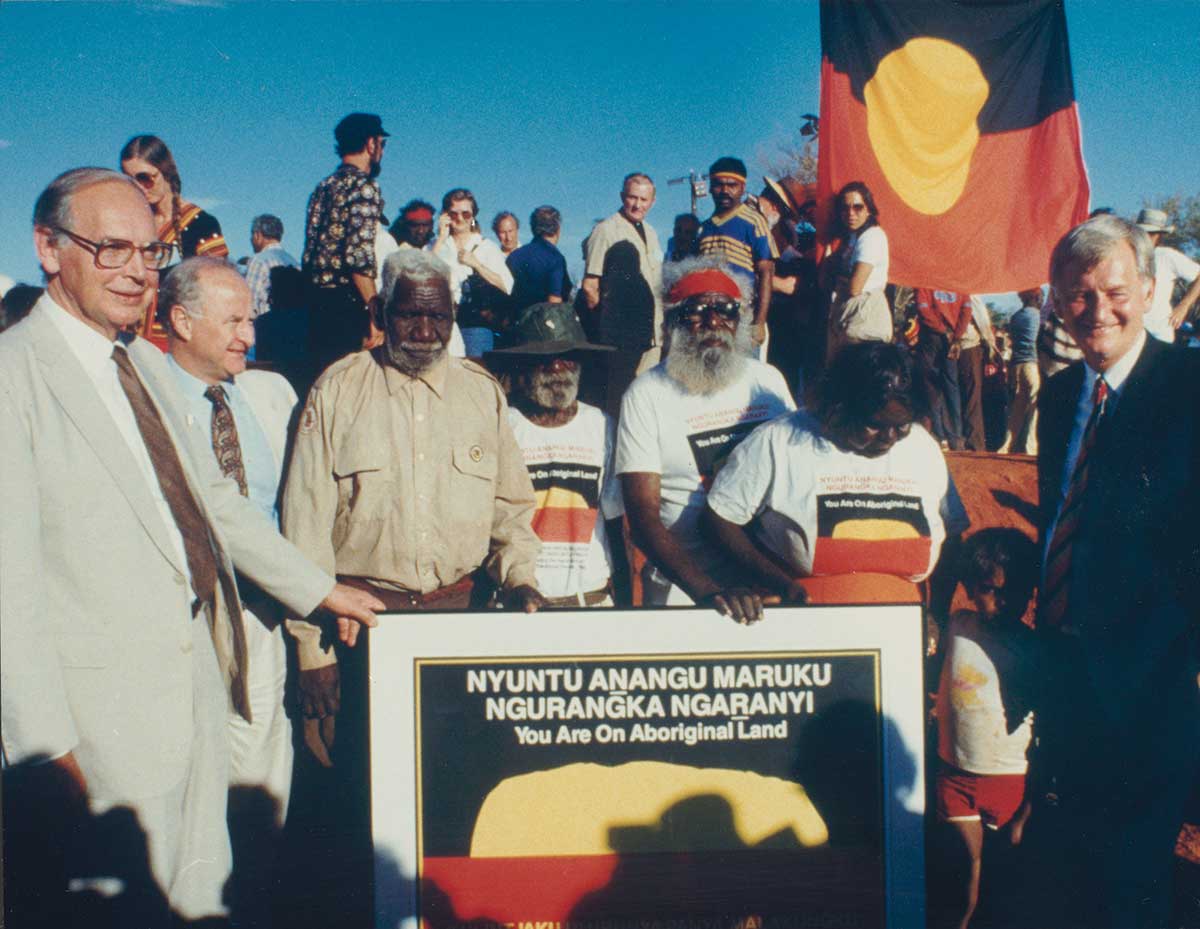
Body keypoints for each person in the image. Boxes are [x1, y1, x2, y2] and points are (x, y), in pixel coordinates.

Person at [0, 167, 380, 926]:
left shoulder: (142, 364)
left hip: (199, 701)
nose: (139, 270)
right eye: (112, 249)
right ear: (47, 248)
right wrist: (43, 757)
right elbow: (8, 591)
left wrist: (319, 588)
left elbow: (214, 504)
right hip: (96, 743)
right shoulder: (13, 377)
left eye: (149, 249)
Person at [1032, 214, 1200, 928]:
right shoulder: (1062, 394)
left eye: (1114, 289)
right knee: (1078, 863)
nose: (1097, 310)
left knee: (1136, 878)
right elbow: (1060, 522)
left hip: (1157, 674)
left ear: (1152, 286)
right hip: (1068, 671)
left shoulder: (1190, 384)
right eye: (1077, 294)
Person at [160, 256, 300, 925]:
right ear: (181, 322)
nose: (249, 333)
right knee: (189, 782)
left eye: (251, 318)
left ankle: (253, 905)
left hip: (263, 616)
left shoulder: (271, 396)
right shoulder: (143, 393)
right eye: (234, 320)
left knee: (262, 773)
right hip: (182, 620)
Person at [705, 341, 966, 606]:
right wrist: (779, 582)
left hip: (900, 627)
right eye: (874, 425)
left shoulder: (923, 448)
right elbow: (720, 518)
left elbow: (952, 536)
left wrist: (937, 614)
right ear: (838, 408)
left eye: (901, 426)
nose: (889, 438)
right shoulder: (779, 441)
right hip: (803, 621)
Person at [615, 257, 794, 622]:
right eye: (697, 311)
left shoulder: (768, 382)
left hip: (770, 582)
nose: (713, 323)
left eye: (725, 310)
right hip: (687, 589)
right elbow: (643, 519)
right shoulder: (647, 394)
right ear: (674, 323)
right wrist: (710, 592)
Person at [933, 529, 1040, 929]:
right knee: (964, 881)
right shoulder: (955, 627)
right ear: (969, 588)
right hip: (954, 777)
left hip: (1009, 780)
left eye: (1014, 592)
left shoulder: (1034, 648)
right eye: (989, 590)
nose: (1001, 602)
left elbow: (1045, 725)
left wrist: (1029, 808)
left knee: (1002, 886)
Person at [489, 301, 627, 606]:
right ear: (521, 366)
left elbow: (618, 524)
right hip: (520, 603)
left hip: (591, 602)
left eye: (566, 359)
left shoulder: (602, 426)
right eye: (543, 359)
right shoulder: (501, 428)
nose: (556, 369)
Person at [120, 134, 230, 347]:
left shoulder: (201, 224)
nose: (138, 187)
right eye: (130, 179)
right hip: (131, 341)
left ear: (166, 172)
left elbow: (217, 292)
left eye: (145, 177)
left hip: (177, 344)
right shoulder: (133, 224)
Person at [301, 112, 390, 375]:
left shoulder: (323, 187)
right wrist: (375, 313)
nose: (382, 152)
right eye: (382, 145)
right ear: (371, 143)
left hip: (315, 307)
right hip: (348, 309)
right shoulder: (364, 187)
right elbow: (358, 257)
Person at [581, 172, 665, 372]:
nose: (637, 205)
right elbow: (590, 287)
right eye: (632, 197)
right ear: (621, 197)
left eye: (644, 199)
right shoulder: (606, 230)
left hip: (654, 334)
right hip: (623, 339)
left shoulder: (652, 232)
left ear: (653, 202)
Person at [697, 156, 776, 353]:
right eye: (718, 185)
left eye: (732, 185)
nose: (725, 191)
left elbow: (767, 272)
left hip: (741, 317)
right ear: (709, 187)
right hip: (709, 317)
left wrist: (759, 322)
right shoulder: (703, 228)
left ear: (742, 187)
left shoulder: (754, 222)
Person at [433, 187, 514, 356]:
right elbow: (421, 272)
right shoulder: (437, 245)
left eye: (466, 214)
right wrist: (440, 238)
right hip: (440, 321)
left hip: (475, 325)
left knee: (476, 373)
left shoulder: (486, 247)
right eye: (454, 214)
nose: (460, 218)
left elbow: (507, 286)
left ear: (473, 216)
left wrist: (477, 265)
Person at [824, 180, 891, 361]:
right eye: (845, 208)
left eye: (858, 207)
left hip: (866, 316)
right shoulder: (852, 238)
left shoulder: (872, 236)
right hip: (847, 316)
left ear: (868, 209)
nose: (851, 213)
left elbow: (855, 286)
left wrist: (839, 279)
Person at [913, 288, 974, 450]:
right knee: (951, 387)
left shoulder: (925, 281)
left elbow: (923, 309)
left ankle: (939, 435)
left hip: (932, 338)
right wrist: (957, 336)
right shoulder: (959, 283)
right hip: (951, 338)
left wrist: (943, 330)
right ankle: (956, 436)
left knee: (929, 385)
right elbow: (966, 310)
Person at [1134, 207, 1200, 341]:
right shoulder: (1126, 255)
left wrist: (1183, 306)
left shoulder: (1167, 256)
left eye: (1151, 234)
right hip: (1129, 332)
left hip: (1158, 331)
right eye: (1142, 232)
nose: (1146, 237)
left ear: (1159, 236)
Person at [998, 288, 1042, 454]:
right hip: (1032, 364)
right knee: (1033, 406)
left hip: (1016, 365)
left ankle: (1007, 445)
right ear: (1035, 297)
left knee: (1016, 409)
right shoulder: (1038, 317)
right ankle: (1030, 447)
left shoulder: (1016, 317)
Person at [506, 205, 572, 313]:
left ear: (532, 228)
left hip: (516, 323)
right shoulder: (555, 258)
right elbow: (554, 301)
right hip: (544, 325)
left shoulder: (514, 256)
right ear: (558, 228)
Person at [244, 213, 299, 319]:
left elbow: (249, 303)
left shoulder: (259, 261)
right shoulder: (294, 263)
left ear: (257, 235)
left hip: (266, 328)